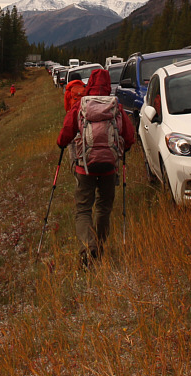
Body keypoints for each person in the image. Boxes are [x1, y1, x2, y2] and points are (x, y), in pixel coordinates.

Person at [56, 68, 135, 267]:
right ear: (108, 85)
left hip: (84, 167)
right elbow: (129, 136)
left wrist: (61, 143)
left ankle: (87, 246)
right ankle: (99, 247)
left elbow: (66, 132)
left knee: (83, 209)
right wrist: (124, 148)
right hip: (109, 167)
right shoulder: (114, 105)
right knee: (103, 207)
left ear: (89, 84)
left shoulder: (81, 105)